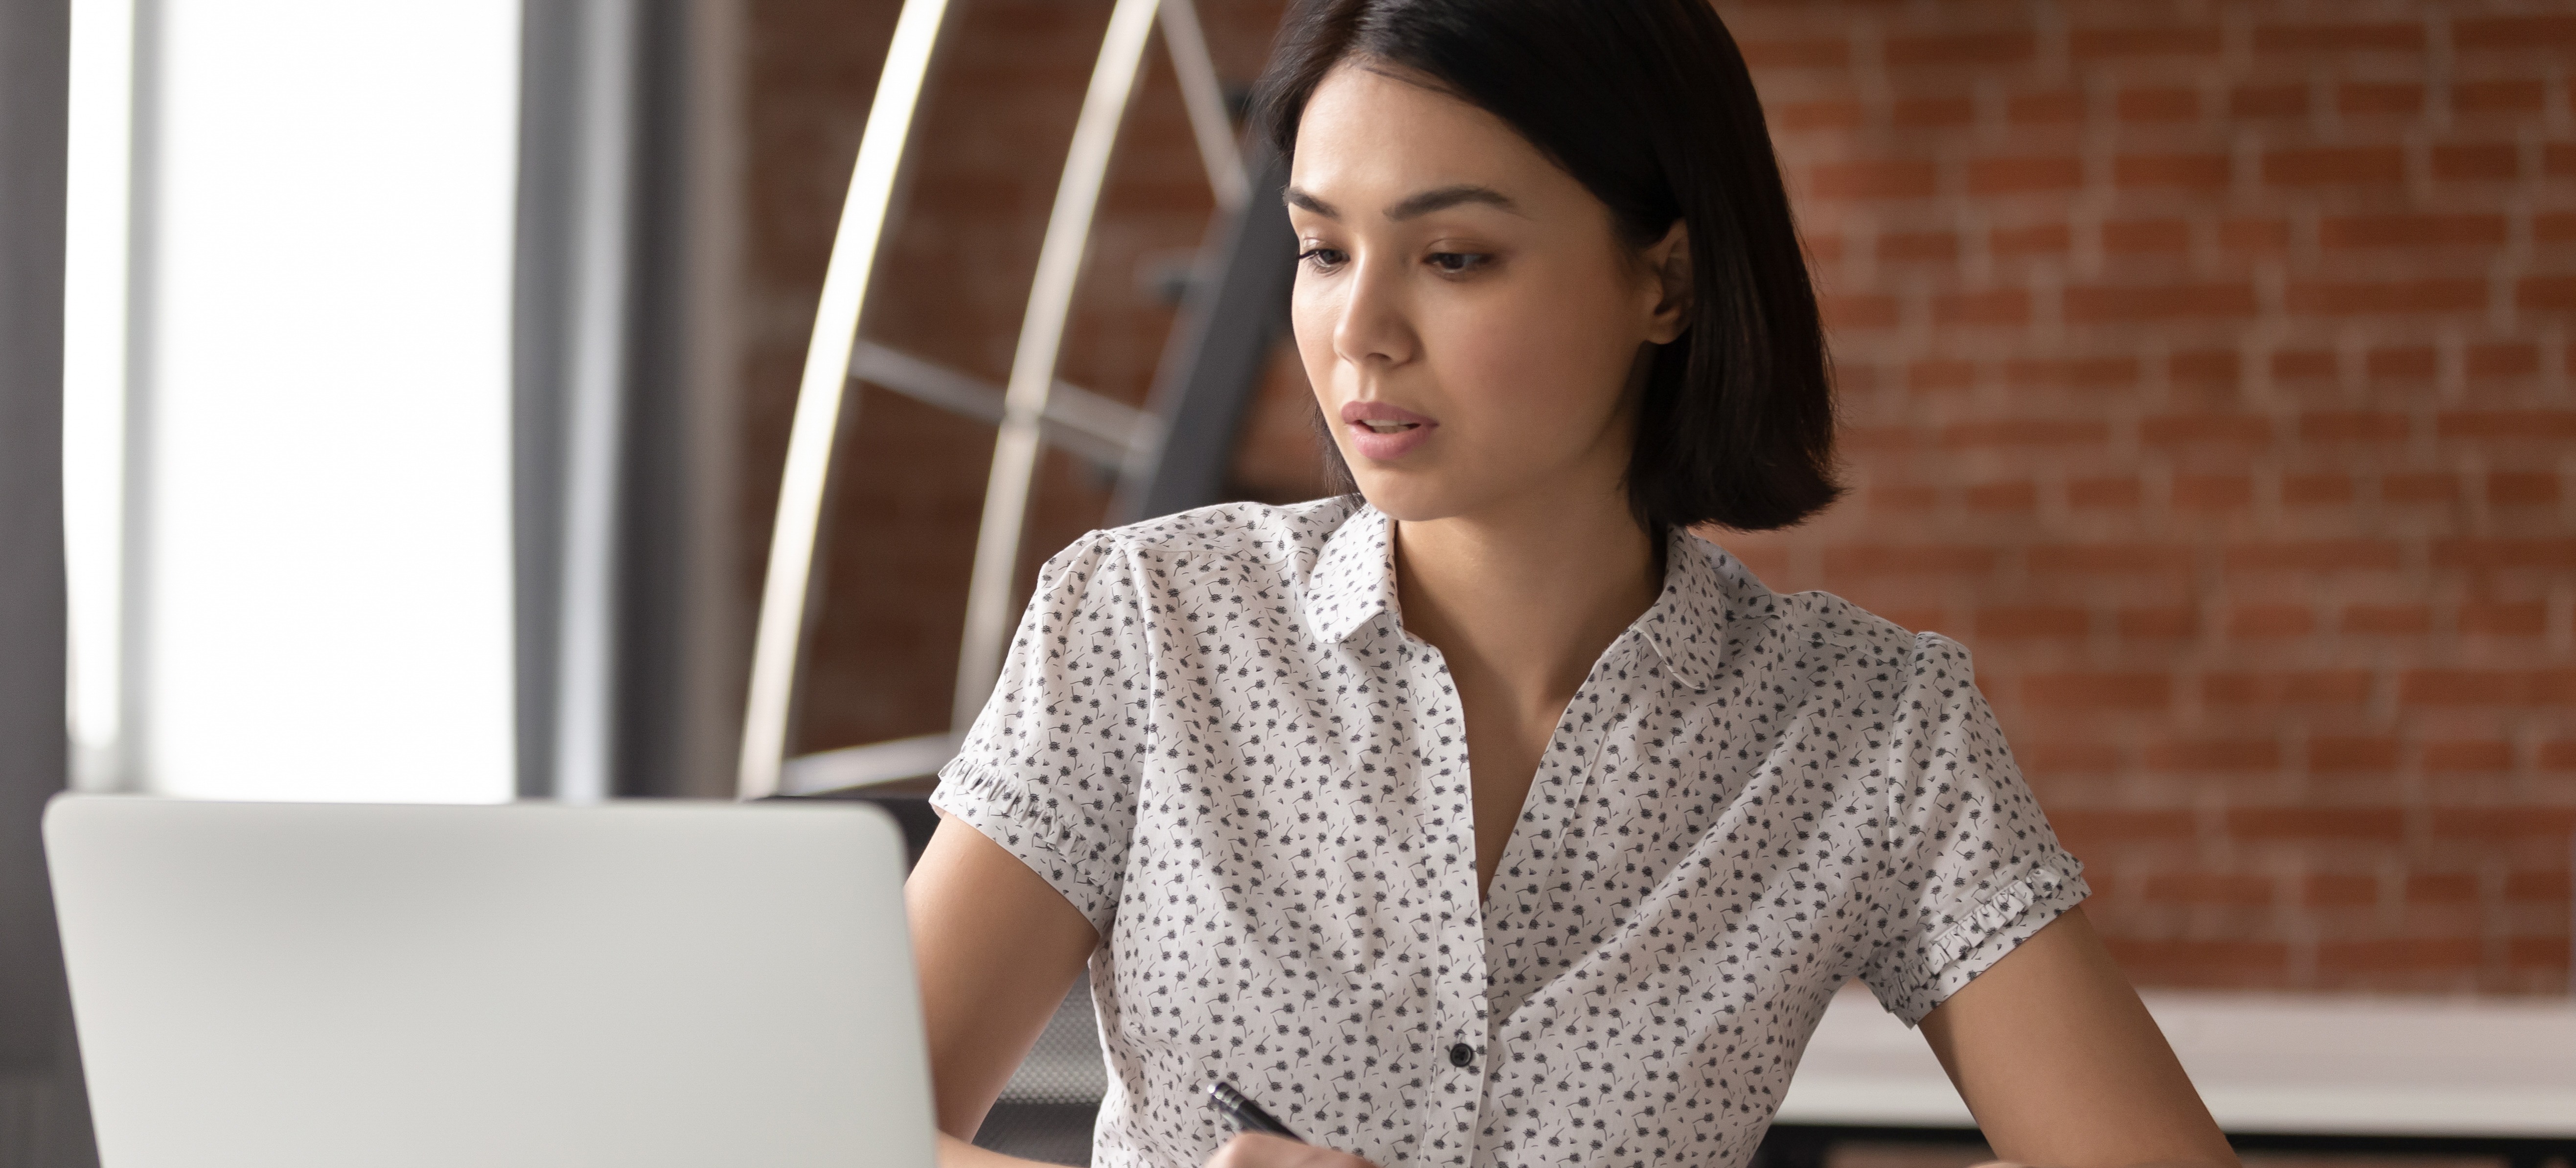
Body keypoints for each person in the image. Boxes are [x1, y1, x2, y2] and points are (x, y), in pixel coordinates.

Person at [907, 2, 2239, 1166]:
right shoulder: (1146, 625)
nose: (1360, 332)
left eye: (1454, 257)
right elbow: (806, 1131)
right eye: (1323, 249)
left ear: (1666, 281)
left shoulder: (1869, 731)